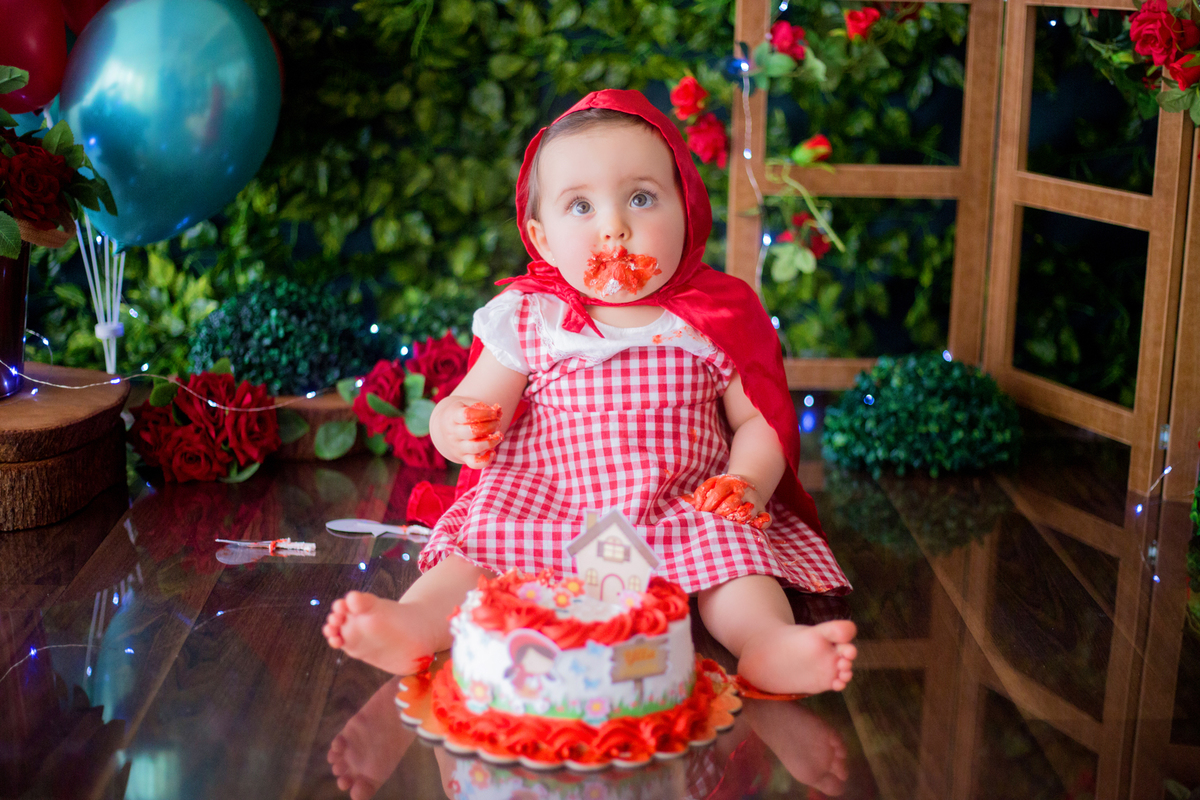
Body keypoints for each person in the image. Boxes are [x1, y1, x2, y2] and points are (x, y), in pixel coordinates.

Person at [324, 89, 856, 696]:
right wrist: (455, 426)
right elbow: (469, 403)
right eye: (580, 206)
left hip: (677, 502)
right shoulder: (531, 316)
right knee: (478, 554)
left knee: (733, 555)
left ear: (687, 210)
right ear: (543, 238)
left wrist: (748, 480)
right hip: (549, 502)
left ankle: (767, 642)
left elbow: (758, 420)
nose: (614, 227)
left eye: (641, 198)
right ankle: (416, 623)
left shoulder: (714, 317)